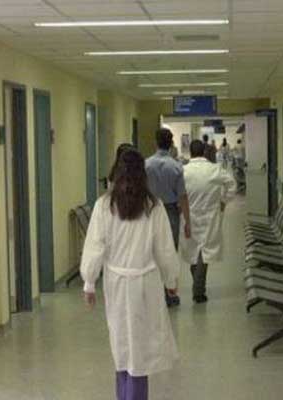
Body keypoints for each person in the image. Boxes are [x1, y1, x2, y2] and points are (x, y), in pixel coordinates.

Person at [80, 149, 180, 400]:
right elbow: (165, 249)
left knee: (122, 346)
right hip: (145, 285)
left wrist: (89, 282)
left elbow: (94, 246)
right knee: (139, 352)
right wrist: (171, 280)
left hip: (116, 284)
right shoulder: (153, 206)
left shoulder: (104, 206)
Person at [179, 140, 237, 303]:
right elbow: (232, 184)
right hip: (210, 216)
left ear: (190, 152)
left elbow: (177, 192)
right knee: (203, 252)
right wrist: (224, 201)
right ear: (204, 152)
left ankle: (198, 287)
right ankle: (198, 290)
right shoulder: (214, 169)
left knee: (194, 252)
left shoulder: (183, 171)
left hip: (189, 216)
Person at [146, 128, 191, 307]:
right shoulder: (176, 166)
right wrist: (187, 221)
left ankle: (153, 294)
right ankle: (169, 293)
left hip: (150, 210)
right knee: (169, 251)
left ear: (155, 143)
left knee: (151, 250)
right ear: (171, 144)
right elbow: (182, 196)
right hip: (171, 211)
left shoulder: (146, 165)